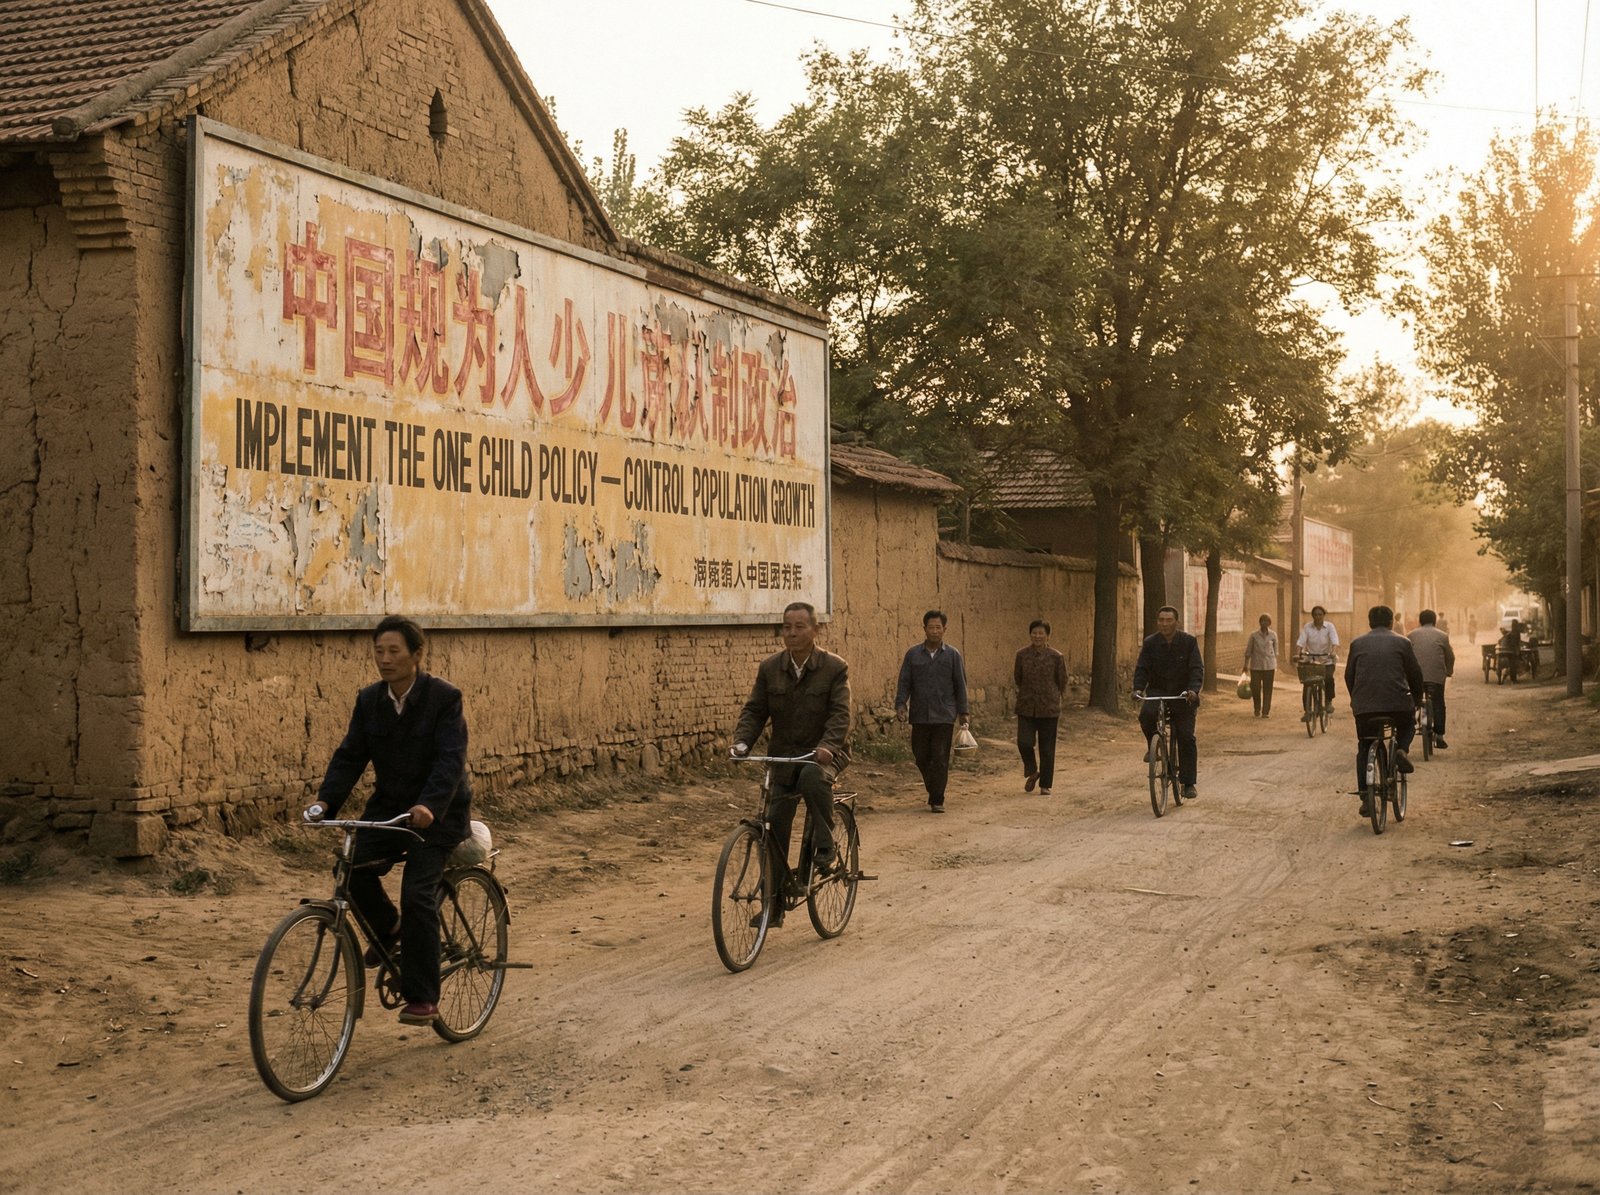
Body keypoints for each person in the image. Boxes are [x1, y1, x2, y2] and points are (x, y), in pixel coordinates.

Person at [305, 615, 471, 1027]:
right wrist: (326, 802)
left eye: (394, 651)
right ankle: (390, 929)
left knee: (418, 894)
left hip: (439, 815)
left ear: (417, 655)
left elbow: (450, 761)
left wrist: (431, 805)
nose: (384, 659)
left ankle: (424, 996)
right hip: (391, 810)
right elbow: (350, 756)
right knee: (351, 867)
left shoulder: (444, 699)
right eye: (379, 651)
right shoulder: (370, 701)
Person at [732, 602, 851, 925]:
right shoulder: (770, 668)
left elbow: (840, 715)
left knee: (813, 777)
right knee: (773, 823)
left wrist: (828, 745)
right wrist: (742, 741)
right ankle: (774, 904)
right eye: (787, 626)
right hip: (784, 754)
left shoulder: (834, 668)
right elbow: (755, 711)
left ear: (815, 630)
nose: (792, 633)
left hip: (826, 752)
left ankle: (825, 847)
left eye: (800, 626)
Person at [1345, 605, 1425, 818]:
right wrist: (1417, 699)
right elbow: (1415, 675)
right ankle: (1401, 751)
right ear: (1391, 622)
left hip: (1365, 708)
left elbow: (1349, 676)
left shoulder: (1357, 643)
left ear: (1370, 622)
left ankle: (1365, 796)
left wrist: (1357, 700)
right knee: (1408, 724)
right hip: (1398, 704)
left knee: (1364, 746)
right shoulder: (1403, 642)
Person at [895, 610, 970, 812]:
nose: (934, 631)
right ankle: (934, 787)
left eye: (938, 627)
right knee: (920, 756)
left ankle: (937, 799)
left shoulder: (953, 655)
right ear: (924, 629)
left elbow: (960, 684)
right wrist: (901, 704)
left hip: (944, 715)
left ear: (944, 630)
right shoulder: (913, 654)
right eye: (931, 627)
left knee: (939, 757)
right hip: (920, 714)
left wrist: (964, 712)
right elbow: (905, 682)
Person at [1133, 606, 1204, 800]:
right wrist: (1138, 689)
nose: (1164, 624)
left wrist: (1193, 691)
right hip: (1158, 691)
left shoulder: (1188, 642)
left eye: (1168, 620)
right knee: (1146, 715)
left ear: (1176, 622)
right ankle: (1154, 746)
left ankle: (1188, 783)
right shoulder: (1150, 643)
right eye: (1161, 620)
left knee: (1186, 736)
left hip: (1182, 695)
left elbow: (1196, 669)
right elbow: (1142, 668)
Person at [1014, 619, 1067, 794]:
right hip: (1026, 706)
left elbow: (1062, 680)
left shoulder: (1056, 656)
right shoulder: (1021, 655)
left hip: (1049, 708)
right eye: (1034, 633)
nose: (1037, 636)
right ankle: (1032, 770)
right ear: (1030, 634)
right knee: (1024, 742)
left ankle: (1045, 785)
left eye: (1041, 633)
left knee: (1047, 748)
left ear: (1047, 636)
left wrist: (1053, 696)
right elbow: (1018, 678)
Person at [1407, 609, 1455, 749]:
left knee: (1412, 702)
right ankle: (1439, 736)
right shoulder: (1443, 636)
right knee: (1438, 702)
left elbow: (1407, 657)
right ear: (1434, 621)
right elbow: (1450, 657)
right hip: (1436, 676)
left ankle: (1412, 726)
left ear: (1420, 621)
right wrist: (1449, 671)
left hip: (1415, 677)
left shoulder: (1411, 635)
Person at [1295, 605, 1340, 720]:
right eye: (1315, 614)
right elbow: (1301, 642)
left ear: (1324, 615)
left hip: (1327, 659)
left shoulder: (1330, 627)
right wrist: (1298, 653)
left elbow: (1335, 641)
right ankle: (1307, 711)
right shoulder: (1307, 627)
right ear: (1312, 616)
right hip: (1312, 660)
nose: (1318, 617)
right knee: (1307, 683)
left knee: (1329, 678)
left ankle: (1328, 702)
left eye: (1320, 614)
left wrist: (1333, 652)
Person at [1243, 613, 1279, 718]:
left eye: (1267, 621)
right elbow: (1248, 651)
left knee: (1268, 689)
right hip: (1256, 666)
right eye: (1263, 621)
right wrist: (1246, 665)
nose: (1265, 623)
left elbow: (1276, 651)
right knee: (1256, 688)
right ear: (1260, 622)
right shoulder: (1254, 635)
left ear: (1269, 623)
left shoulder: (1273, 635)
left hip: (1269, 666)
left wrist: (1275, 663)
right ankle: (1257, 708)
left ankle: (1265, 711)